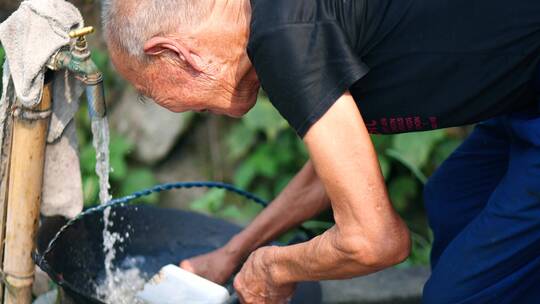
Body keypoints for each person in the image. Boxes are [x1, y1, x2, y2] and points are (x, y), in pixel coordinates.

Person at [101, 0, 540, 303]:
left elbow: (377, 241)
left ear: (176, 53)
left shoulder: (284, 39)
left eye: (145, 90)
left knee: (461, 295)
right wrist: (233, 254)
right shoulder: (275, 22)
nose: (164, 105)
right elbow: (334, 172)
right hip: (520, 94)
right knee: (454, 198)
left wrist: (273, 268)